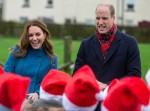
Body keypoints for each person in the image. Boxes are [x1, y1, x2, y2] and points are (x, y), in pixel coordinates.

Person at [73, 3, 141, 110]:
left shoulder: (130, 43)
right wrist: (93, 83)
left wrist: (107, 86)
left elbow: (134, 76)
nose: (100, 22)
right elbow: (77, 74)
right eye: (97, 18)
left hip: (118, 104)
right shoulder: (85, 44)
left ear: (113, 18)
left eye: (104, 18)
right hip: (91, 105)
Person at [4, 19, 58, 101]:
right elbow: (6, 75)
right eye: (30, 35)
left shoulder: (52, 59)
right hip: (15, 99)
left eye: (38, 34)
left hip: (38, 102)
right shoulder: (17, 51)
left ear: (44, 35)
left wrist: (38, 93)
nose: (34, 38)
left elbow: (51, 84)